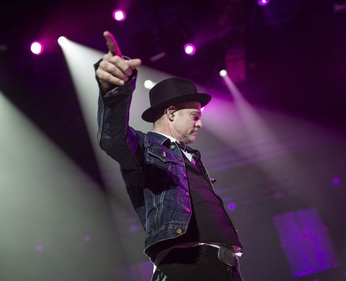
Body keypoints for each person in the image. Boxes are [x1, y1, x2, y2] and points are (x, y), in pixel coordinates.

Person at [95, 31, 244, 281]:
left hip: (225, 269)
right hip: (185, 268)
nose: (200, 124)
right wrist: (115, 91)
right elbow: (112, 138)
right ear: (171, 113)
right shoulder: (144, 147)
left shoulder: (192, 158)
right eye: (195, 116)